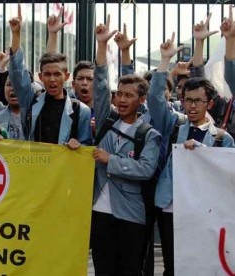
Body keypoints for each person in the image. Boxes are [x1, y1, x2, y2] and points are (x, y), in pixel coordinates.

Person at [149, 24, 235, 275]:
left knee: (201, 264)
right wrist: (164, 62)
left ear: (209, 103)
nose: (192, 106)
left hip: (204, 211)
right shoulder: (174, 124)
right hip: (170, 207)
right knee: (171, 266)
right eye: (187, 100)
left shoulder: (222, 139)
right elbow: (154, 100)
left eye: (198, 101)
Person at [90, 15, 162, 275]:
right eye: (119, 94)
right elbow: (99, 86)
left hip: (131, 213)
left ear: (141, 100)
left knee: (129, 270)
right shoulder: (107, 120)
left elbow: (145, 170)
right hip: (99, 210)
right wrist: (101, 46)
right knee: (103, 270)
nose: (121, 99)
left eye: (128, 96)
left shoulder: (149, 134)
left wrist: (111, 160)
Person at [8, 4, 91, 148]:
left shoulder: (81, 110)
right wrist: (16, 34)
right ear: (40, 76)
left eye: (57, 74)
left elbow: (87, 147)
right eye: (47, 74)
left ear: (66, 76)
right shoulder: (32, 100)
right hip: (34, 166)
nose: (52, 79)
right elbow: (17, 74)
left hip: (62, 170)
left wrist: (78, 145)